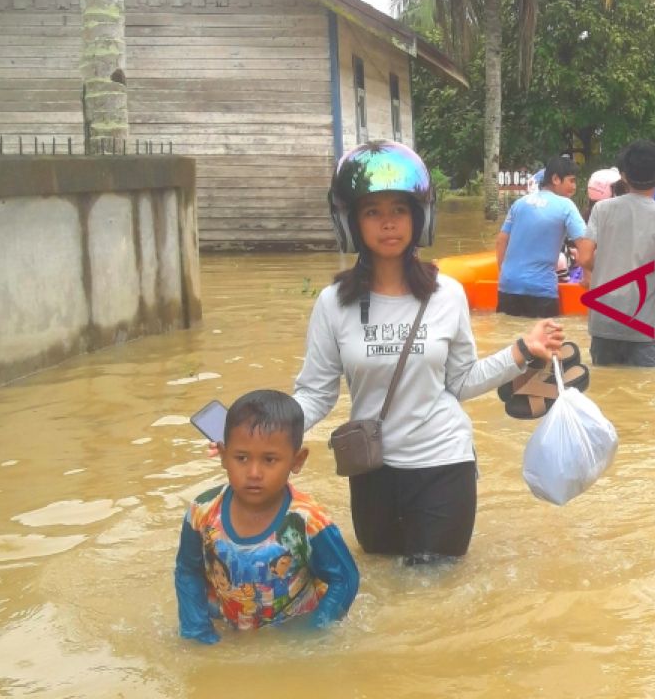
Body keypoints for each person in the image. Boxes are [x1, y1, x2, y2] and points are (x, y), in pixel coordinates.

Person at [295, 141, 563, 564]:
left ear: (418, 217)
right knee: (384, 585)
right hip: (371, 469)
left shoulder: (447, 294)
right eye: (373, 212)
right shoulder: (334, 303)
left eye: (399, 210)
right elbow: (314, 394)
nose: (388, 224)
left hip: (443, 464)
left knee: (433, 591)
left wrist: (521, 350)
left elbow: (459, 381)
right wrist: (261, 429)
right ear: (352, 222)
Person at [174, 389, 359, 644]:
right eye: (241, 458)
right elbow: (188, 571)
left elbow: (345, 579)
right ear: (223, 456)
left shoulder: (308, 522)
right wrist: (197, 631)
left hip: (290, 634)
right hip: (229, 629)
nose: (254, 472)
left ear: (297, 460)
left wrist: (312, 633)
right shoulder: (202, 512)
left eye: (270, 460)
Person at [575, 140, 655, 368]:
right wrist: (651, 269)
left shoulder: (601, 209)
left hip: (603, 321)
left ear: (623, 176)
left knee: (605, 393)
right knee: (644, 395)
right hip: (642, 326)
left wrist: (613, 264)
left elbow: (584, 258)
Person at [495, 155, 588, 317]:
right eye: (571, 181)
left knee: (511, 338)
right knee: (546, 340)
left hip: (508, 286)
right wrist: (588, 277)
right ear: (556, 179)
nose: (574, 187)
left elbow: (501, 241)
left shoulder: (520, 203)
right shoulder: (566, 205)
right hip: (541, 290)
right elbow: (585, 245)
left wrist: (504, 274)